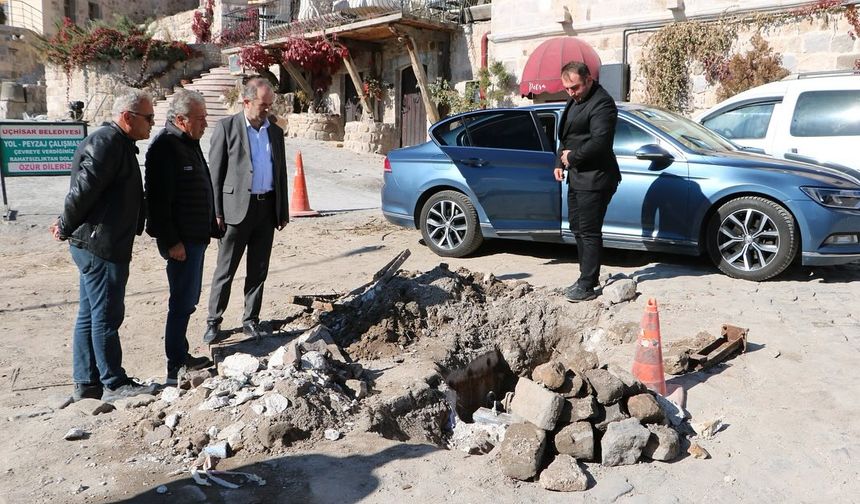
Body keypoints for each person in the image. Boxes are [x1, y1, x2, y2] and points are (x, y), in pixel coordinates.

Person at [50, 89, 158, 402]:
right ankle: (114, 382)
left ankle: (87, 384)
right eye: (148, 117)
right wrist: (65, 226)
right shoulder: (107, 143)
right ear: (127, 117)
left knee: (90, 313)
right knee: (106, 315)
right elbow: (82, 193)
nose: (152, 123)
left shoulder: (119, 143)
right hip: (100, 246)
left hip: (100, 243)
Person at [203, 77, 289, 344]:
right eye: (263, 105)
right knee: (225, 270)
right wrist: (216, 211)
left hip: (266, 209)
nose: (267, 110)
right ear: (247, 101)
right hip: (236, 210)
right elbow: (214, 174)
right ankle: (214, 321)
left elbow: (280, 171)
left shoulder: (274, 131)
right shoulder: (227, 128)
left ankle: (251, 319)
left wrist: (282, 208)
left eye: (270, 105)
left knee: (258, 269)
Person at [144, 90, 219, 385]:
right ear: (181, 119)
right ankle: (176, 365)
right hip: (181, 242)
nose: (205, 123)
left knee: (189, 300)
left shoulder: (189, 142)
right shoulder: (166, 146)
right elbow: (158, 201)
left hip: (195, 236)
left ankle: (181, 355)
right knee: (181, 302)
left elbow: (197, 187)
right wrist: (171, 241)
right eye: (200, 118)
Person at [553, 61, 621, 302]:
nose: (571, 92)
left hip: (597, 177)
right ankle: (585, 276)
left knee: (589, 231)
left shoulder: (602, 103)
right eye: (567, 89)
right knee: (577, 228)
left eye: (575, 87)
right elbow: (568, 137)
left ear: (589, 79)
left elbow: (600, 143)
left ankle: (588, 284)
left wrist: (572, 158)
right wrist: (560, 163)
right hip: (577, 176)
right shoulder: (574, 101)